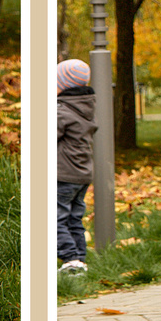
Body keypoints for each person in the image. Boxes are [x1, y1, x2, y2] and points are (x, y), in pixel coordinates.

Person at [56, 60, 95, 277]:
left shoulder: (62, 111)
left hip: (64, 174)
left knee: (55, 218)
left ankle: (70, 259)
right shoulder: (86, 106)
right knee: (74, 218)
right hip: (81, 174)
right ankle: (80, 260)